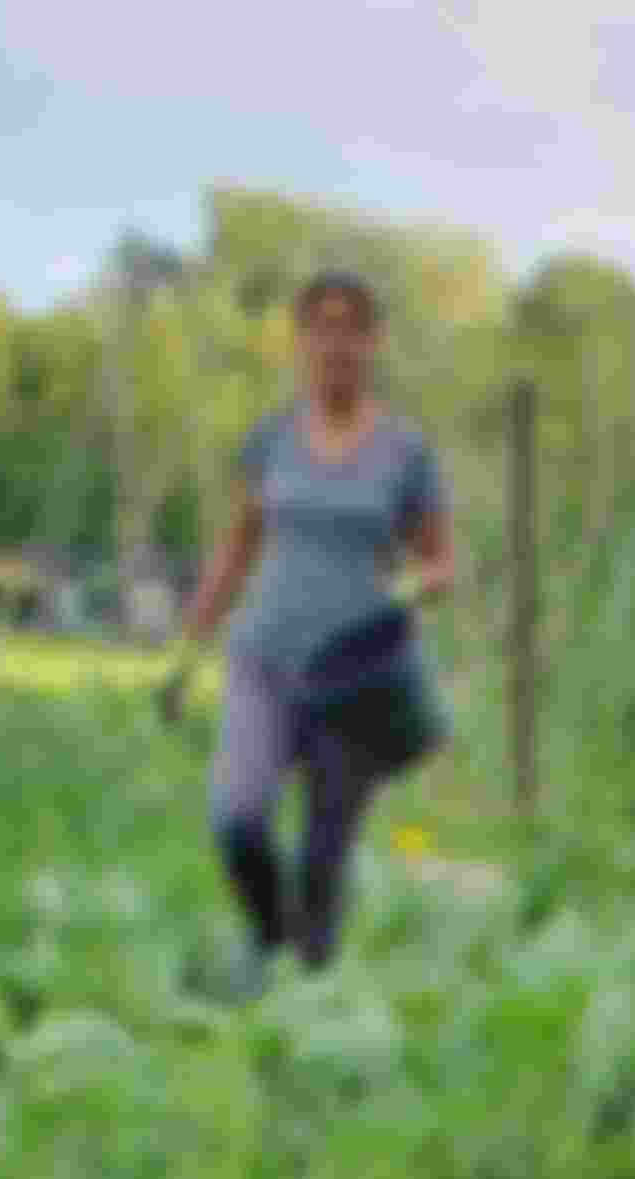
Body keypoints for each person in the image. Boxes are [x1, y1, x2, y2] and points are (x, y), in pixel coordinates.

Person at [169, 264, 455, 992]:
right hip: (263, 659)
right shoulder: (270, 440)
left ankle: (307, 1005)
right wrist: (195, 630)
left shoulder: (406, 454)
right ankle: (270, 939)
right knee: (236, 817)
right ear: (300, 342)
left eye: (351, 329)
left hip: (352, 681)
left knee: (323, 860)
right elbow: (238, 544)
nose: (336, 344)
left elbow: (438, 560)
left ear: (373, 342)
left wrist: (427, 585)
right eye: (320, 328)